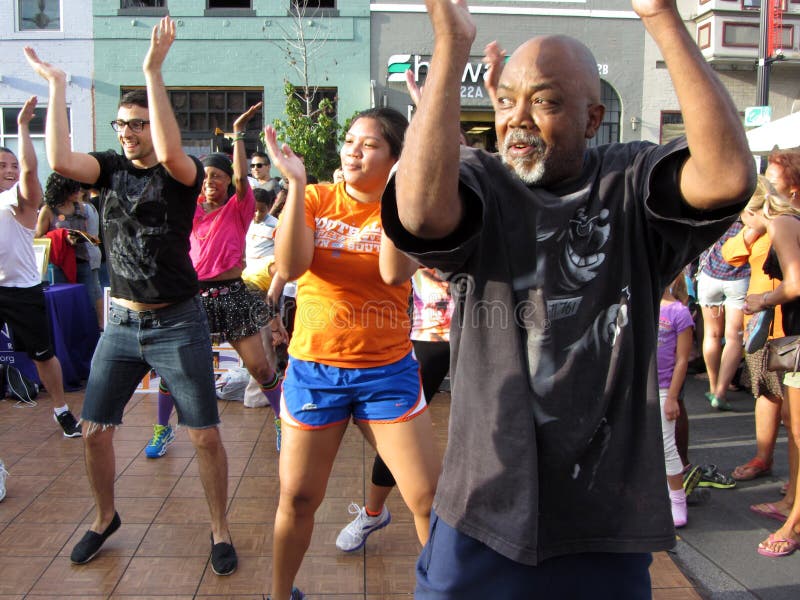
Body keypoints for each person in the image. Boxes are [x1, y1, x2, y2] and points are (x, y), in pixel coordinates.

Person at [380, 0, 755, 596]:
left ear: (592, 118)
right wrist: (451, 45)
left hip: (604, 521)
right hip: (486, 511)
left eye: (546, 101)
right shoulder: (483, 177)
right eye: (506, 101)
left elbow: (729, 175)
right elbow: (422, 214)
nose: (517, 120)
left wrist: (660, 18)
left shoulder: (629, 182)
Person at [25, 17, 238, 574]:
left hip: (178, 322)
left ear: (156, 125)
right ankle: (104, 518)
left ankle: (219, 529)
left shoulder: (182, 173)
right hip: (121, 324)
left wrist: (153, 70)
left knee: (204, 436)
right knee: (95, 430)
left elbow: (169, 153)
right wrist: (54, 88)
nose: (126, 133)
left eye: (137, 124)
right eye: (122, 124)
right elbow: (62, 163)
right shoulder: (110, 169)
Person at [263, 107, 441, 600]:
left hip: (387, 372)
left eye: (370, 144)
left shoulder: (405, 207)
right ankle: (280, 595)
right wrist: (297, 185)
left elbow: (393, 273)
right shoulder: (317, 198)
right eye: (349, 140)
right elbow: (292, 265)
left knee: (427, 499)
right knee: (298, 497)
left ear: (395, 158)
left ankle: (443, 592)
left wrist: (396, 193)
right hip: (315, 370)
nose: (353, 150)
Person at [144, 103, 282, 458]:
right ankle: (162, 429)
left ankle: (282, 421)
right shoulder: (189, 211)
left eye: (217, 177)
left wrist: (238, 135)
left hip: (233, 295)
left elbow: (241, 178)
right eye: (205, 177)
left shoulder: (239, 208)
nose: (210, 183)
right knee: (173, 372)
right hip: (191, 299)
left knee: (260, 366)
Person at [336, 266, 454, 551]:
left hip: (489, 331)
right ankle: (374, 513)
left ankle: (488, 522)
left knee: (489, 430)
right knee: (401, 436)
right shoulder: (405, 222)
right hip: (432, 334)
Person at [0, 100, 81, 440]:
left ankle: (61, 410)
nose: (10, 170)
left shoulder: (18, 201)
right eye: (2, 165)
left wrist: (22, 127)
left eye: (13, 165)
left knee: (42, 355)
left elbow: (32, 174)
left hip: (21, 290)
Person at [743, 181, 800, 557]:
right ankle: (791, 500)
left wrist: (762, 299)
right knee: (794, 430)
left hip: (798, 336)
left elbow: (794, 285)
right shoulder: (788, 221)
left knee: (799, 433)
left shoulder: (780, 223)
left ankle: (793, 523)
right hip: (794, 337)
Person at [722, 179, 788, 485]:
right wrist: (751, 229)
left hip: (788, 328)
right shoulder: (761, 229)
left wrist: (764, 299)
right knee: (766, 392)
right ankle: (764, 458)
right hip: (764, 327)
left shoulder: (785, 225)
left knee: (791, 409)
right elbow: (729, 255)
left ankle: (793, 491)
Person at [35, 173, 104, 327]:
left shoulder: (80, 207)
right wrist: (60, 236)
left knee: (89, 304)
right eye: (73, 189)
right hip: (60, 265)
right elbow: (38, 238)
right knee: (64, 305)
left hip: (83, 261)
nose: (78, 192)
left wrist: (85, 237)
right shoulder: (48, 210)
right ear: (63, 189)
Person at [695, 220, 749, 411]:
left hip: (710, 275)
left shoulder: (719, 211)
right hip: (740, 277)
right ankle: (720, 392)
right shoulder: (750, 218)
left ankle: (712, 385)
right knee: (735, 337)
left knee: (712, 334)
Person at [657, 274, 694, 527]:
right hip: (640, 388)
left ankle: (677, 500)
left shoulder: (679, 313)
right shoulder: (638, 305)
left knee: (667, 445)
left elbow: (682, 360)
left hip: (662, 389)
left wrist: (672, 397)